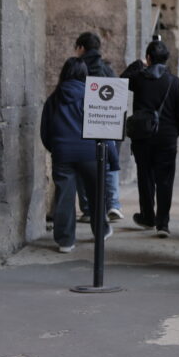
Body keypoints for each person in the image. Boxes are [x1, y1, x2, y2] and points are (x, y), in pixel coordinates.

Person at [41, 57, 117, 252]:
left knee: (64, 196)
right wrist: (112, 158)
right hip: (91, 153)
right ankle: (101, 231)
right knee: (95, 195)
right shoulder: (92, 96)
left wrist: (56, 148)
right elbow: (104, 127)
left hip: (63, 153)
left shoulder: (53, 98)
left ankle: (66, 241)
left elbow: (45, 130)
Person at [127, 40, 179, 237]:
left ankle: (147, 216)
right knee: (165, 181)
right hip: (167, 138)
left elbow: (121, 81)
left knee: (145, 178)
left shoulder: (139, 79)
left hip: (142, 137)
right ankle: (163, 223)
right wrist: (175, 132)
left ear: (148, 58)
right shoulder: (175, 82)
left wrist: (138, 65)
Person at [73, 31, 122, 223]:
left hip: (83, 124)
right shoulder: (108, 69)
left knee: (83, 166)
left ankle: (87, 209)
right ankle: (113, 204)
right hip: (107, 124)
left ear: (81, 48)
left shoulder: (78, 68)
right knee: (109, 164)